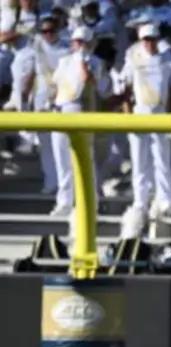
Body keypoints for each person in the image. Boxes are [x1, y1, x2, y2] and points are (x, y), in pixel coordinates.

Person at [119, 23, 171, 218]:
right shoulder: (133, 60)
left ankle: (165, 200)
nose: (149, 43)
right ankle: (140, 201)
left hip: (160, 113)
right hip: (140, 113)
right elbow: (125, 91)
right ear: (141, 41)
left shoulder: (167, 60)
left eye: (152, 39)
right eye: (146, 39)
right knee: (139, 160)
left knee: (162, 158)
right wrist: (128, 116)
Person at [48, 26, 105, 217]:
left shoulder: (96, 63)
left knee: (85, 158)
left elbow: (93, 82)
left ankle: (91, 201)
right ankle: (64, 201)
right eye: (76, 42)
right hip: (61, 109)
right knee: (62, 159)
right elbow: (56, 85)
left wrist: (83, 62)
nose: (79, 46)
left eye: (83, 42)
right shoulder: (64, 61)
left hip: (81, 109)